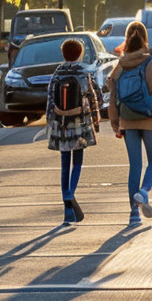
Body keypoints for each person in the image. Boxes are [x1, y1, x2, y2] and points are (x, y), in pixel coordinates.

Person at [107, 21, 152, 227]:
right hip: (150, 117)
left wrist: (116, 124)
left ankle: (133, 214)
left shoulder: (120, 65)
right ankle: (143, 192)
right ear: (145, 38)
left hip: (128, 119)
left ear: (127, 39)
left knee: (135, 165)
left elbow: (113, 96)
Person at [46, 37, 103, 225]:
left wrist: (50, 122)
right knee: (77, 162)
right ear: (80, 54)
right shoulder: (83, 72)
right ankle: (71, 192)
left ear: (64, 54)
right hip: (79, 123)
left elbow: (50, 100)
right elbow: (92, 97)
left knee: (64, 164)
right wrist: (95, 121)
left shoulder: (57, 73)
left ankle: (67, 208)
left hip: (61, 125)